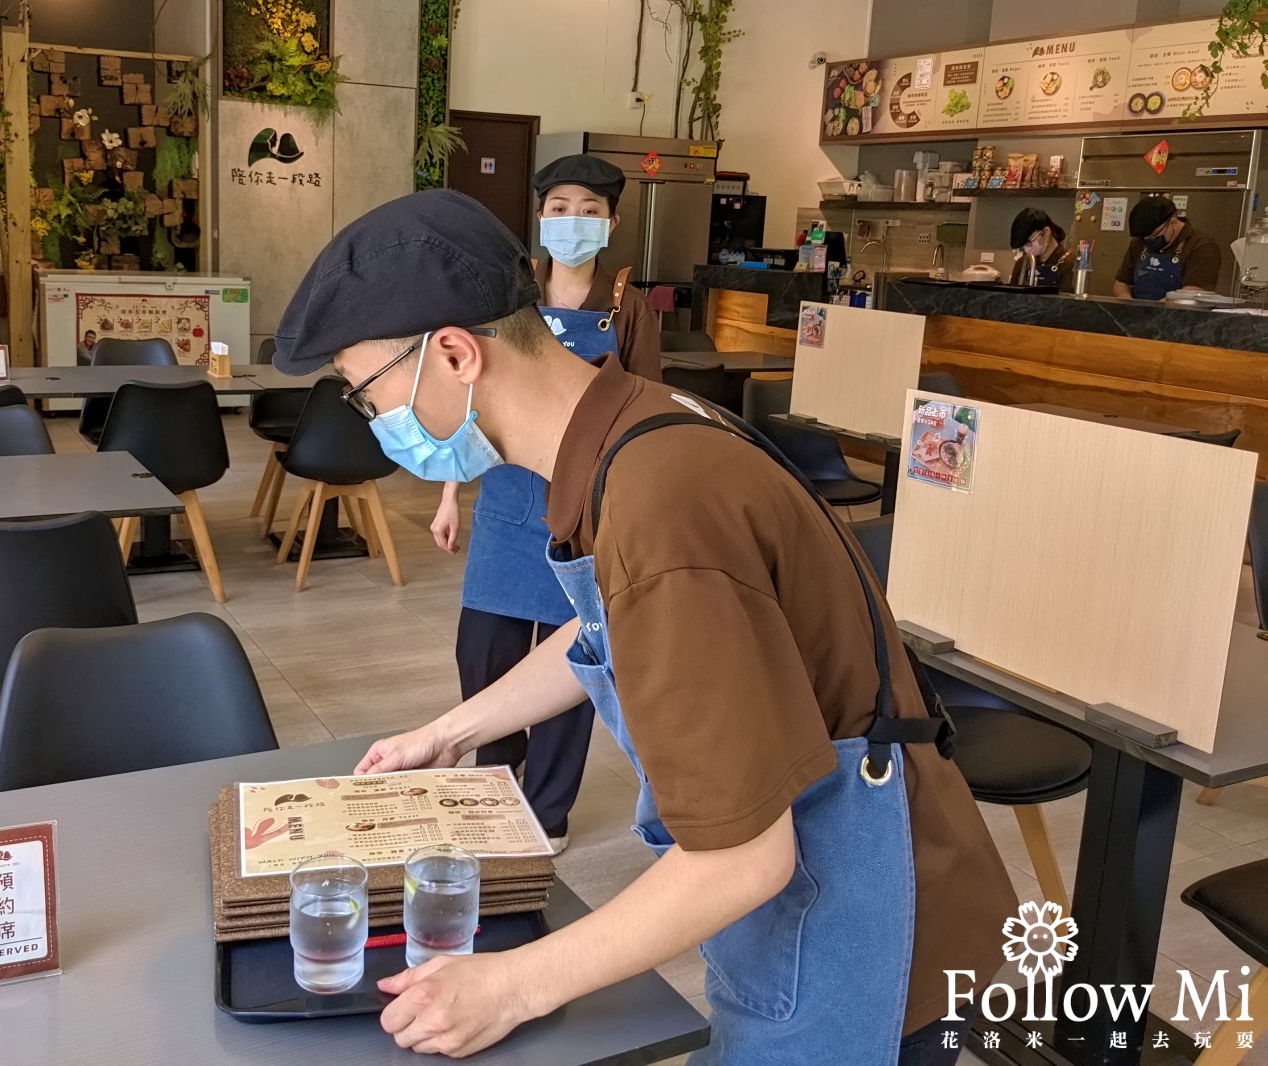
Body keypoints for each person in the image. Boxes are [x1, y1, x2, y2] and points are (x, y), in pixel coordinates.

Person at [271, 189, 1015, 1064]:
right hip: (842, 893)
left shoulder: (657, 501)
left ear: (454, 355)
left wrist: (510, 985)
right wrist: (449, 731)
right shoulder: (636, 428)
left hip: (879, 942)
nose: (376, 419)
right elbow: (611, 624)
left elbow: (742, 858)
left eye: (369, 392)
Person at [430, 155, 662, 855]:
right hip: (504, 498)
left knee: (574, 666)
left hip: (584, 503)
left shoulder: (628, 310)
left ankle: (549, 809)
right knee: (484, 655)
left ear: (613, 223)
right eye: (559, 207)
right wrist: (448, 494)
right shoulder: (508, 299)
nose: (572, 222)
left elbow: (643, 409)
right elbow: (469, 399)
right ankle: (497, 779)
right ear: (540, 218)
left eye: (589, 210)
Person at [1113, 196, 1222, 300]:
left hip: (1178, 317)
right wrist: (1126, 300)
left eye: (1153, 236)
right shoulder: (1139, 242)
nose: (1147, 241)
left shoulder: (1202, 246)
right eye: (1144, 238)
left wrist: (1157, 312)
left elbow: (1192, 292)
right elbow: (1122, 282)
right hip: (1139, 315)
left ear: (1173, 223)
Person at [1008, 208, 1074, 290]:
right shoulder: (1022, 263)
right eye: (1023, 245)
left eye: (1029, 242)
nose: (1026, 249)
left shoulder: (1069, 264)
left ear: (1046, 232)